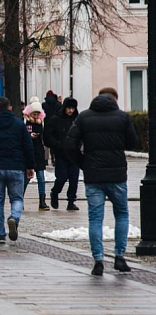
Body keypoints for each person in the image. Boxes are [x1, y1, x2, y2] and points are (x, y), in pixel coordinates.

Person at [65, 87, 138, 276]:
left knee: (95, 218)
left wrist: (84, 163)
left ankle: (98, 260)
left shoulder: (84, 117)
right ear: (115, 99)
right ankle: (119, 257)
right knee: (121, 214)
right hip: (117, 175)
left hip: (93, 176)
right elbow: (132, 143)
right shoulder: (122, 117)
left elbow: (70, 145)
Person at [0, 97, 35, 244]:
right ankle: (14, 217)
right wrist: (30, 166)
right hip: (17, 167)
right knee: (17, 198)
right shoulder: (19, 125)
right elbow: (28, 146)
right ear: (10, 108)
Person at [44, 97, 80, 210]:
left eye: (72, 108)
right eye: (69, 108)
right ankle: (55, 193)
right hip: (61, 154)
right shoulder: (56, 119)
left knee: (74, 179)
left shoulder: (77, 120)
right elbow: (47, 135)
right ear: (64, 108)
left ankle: (71, 201)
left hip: (74, 154)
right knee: (61, 178)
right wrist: (57, 144)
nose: (70, 111)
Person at [22, 101, 49, 211]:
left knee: (41, 178)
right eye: (34, 114)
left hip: (39, 152)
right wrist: (29, 136)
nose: (36, 116)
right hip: (29, 153)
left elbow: (43, 135)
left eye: (38, 114)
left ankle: (42, 201)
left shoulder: (41, 122)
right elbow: (22, 136)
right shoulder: (25, 123)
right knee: (26, 179)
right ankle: (19, 199)